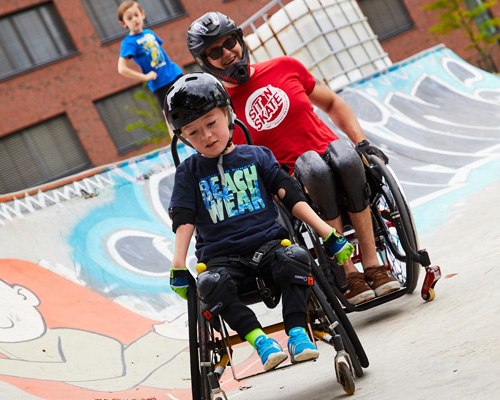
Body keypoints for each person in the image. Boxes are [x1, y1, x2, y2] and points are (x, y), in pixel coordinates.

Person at [186, 12, 401, 305]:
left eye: (230, 42)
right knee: (313, 166)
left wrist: (361, 142)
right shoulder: (217, 112)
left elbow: (333, 103)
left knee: (347, 157)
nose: (227, 53)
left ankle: (374, 266)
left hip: (337, 160)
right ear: (204, 60)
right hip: (289, 183)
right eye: (215, 51)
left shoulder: (285, 67)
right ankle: (349, 273)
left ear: (240, 40)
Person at [166, 72, 354, 371]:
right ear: (183, 137)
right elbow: (184, 219)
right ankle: (261, 342)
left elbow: (291, 197)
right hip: (221, 261)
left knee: (295, 256)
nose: (206, 136)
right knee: (210, 284)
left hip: (270, 247)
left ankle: (297, 333)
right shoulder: (188, 173)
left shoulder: (258, 156)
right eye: (193, 132)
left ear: (228, 114)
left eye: (211, 123)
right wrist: (178, 264)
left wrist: (328, 233)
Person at [117, 1, 183, 107]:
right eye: (129, 18)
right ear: (123, 23)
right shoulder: (128, 43)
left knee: (188, 102)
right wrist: (145, 77)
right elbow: (121, 68)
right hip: (160, 83)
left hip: (174, 73)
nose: (134, 19)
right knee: (170, 113)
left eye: (136, 15)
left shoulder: (149, 33)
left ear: (142, 14)